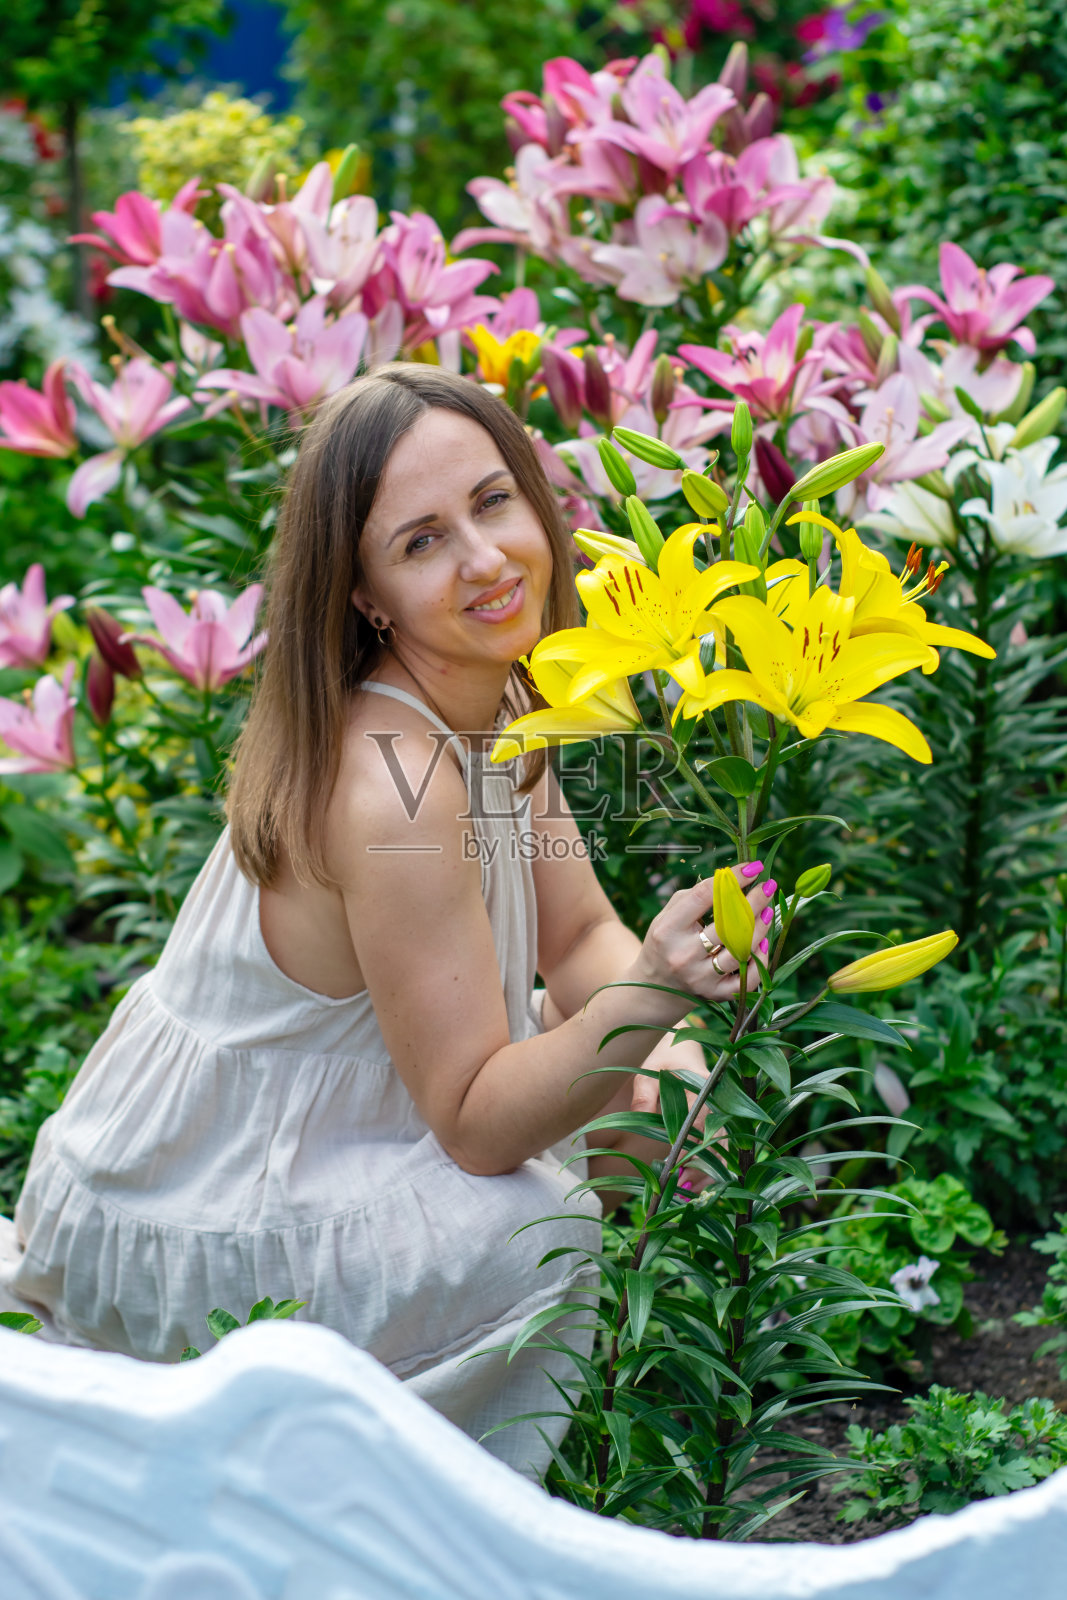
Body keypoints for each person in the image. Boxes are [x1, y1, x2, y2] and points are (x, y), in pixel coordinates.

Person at [0, 365, 771, 1477]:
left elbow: (573, 941)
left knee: (651, 1086)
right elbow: (472, 1122)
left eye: (493, 501)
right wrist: (656, 991)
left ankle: (603, 1428)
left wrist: (669, 1036)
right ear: (364, 595)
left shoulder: (500, 696)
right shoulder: (390, 782)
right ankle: (407, 1518)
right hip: (217, 1198)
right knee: (525, 1232)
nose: (485, 559)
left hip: (349, 1129)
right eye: (419, 542)